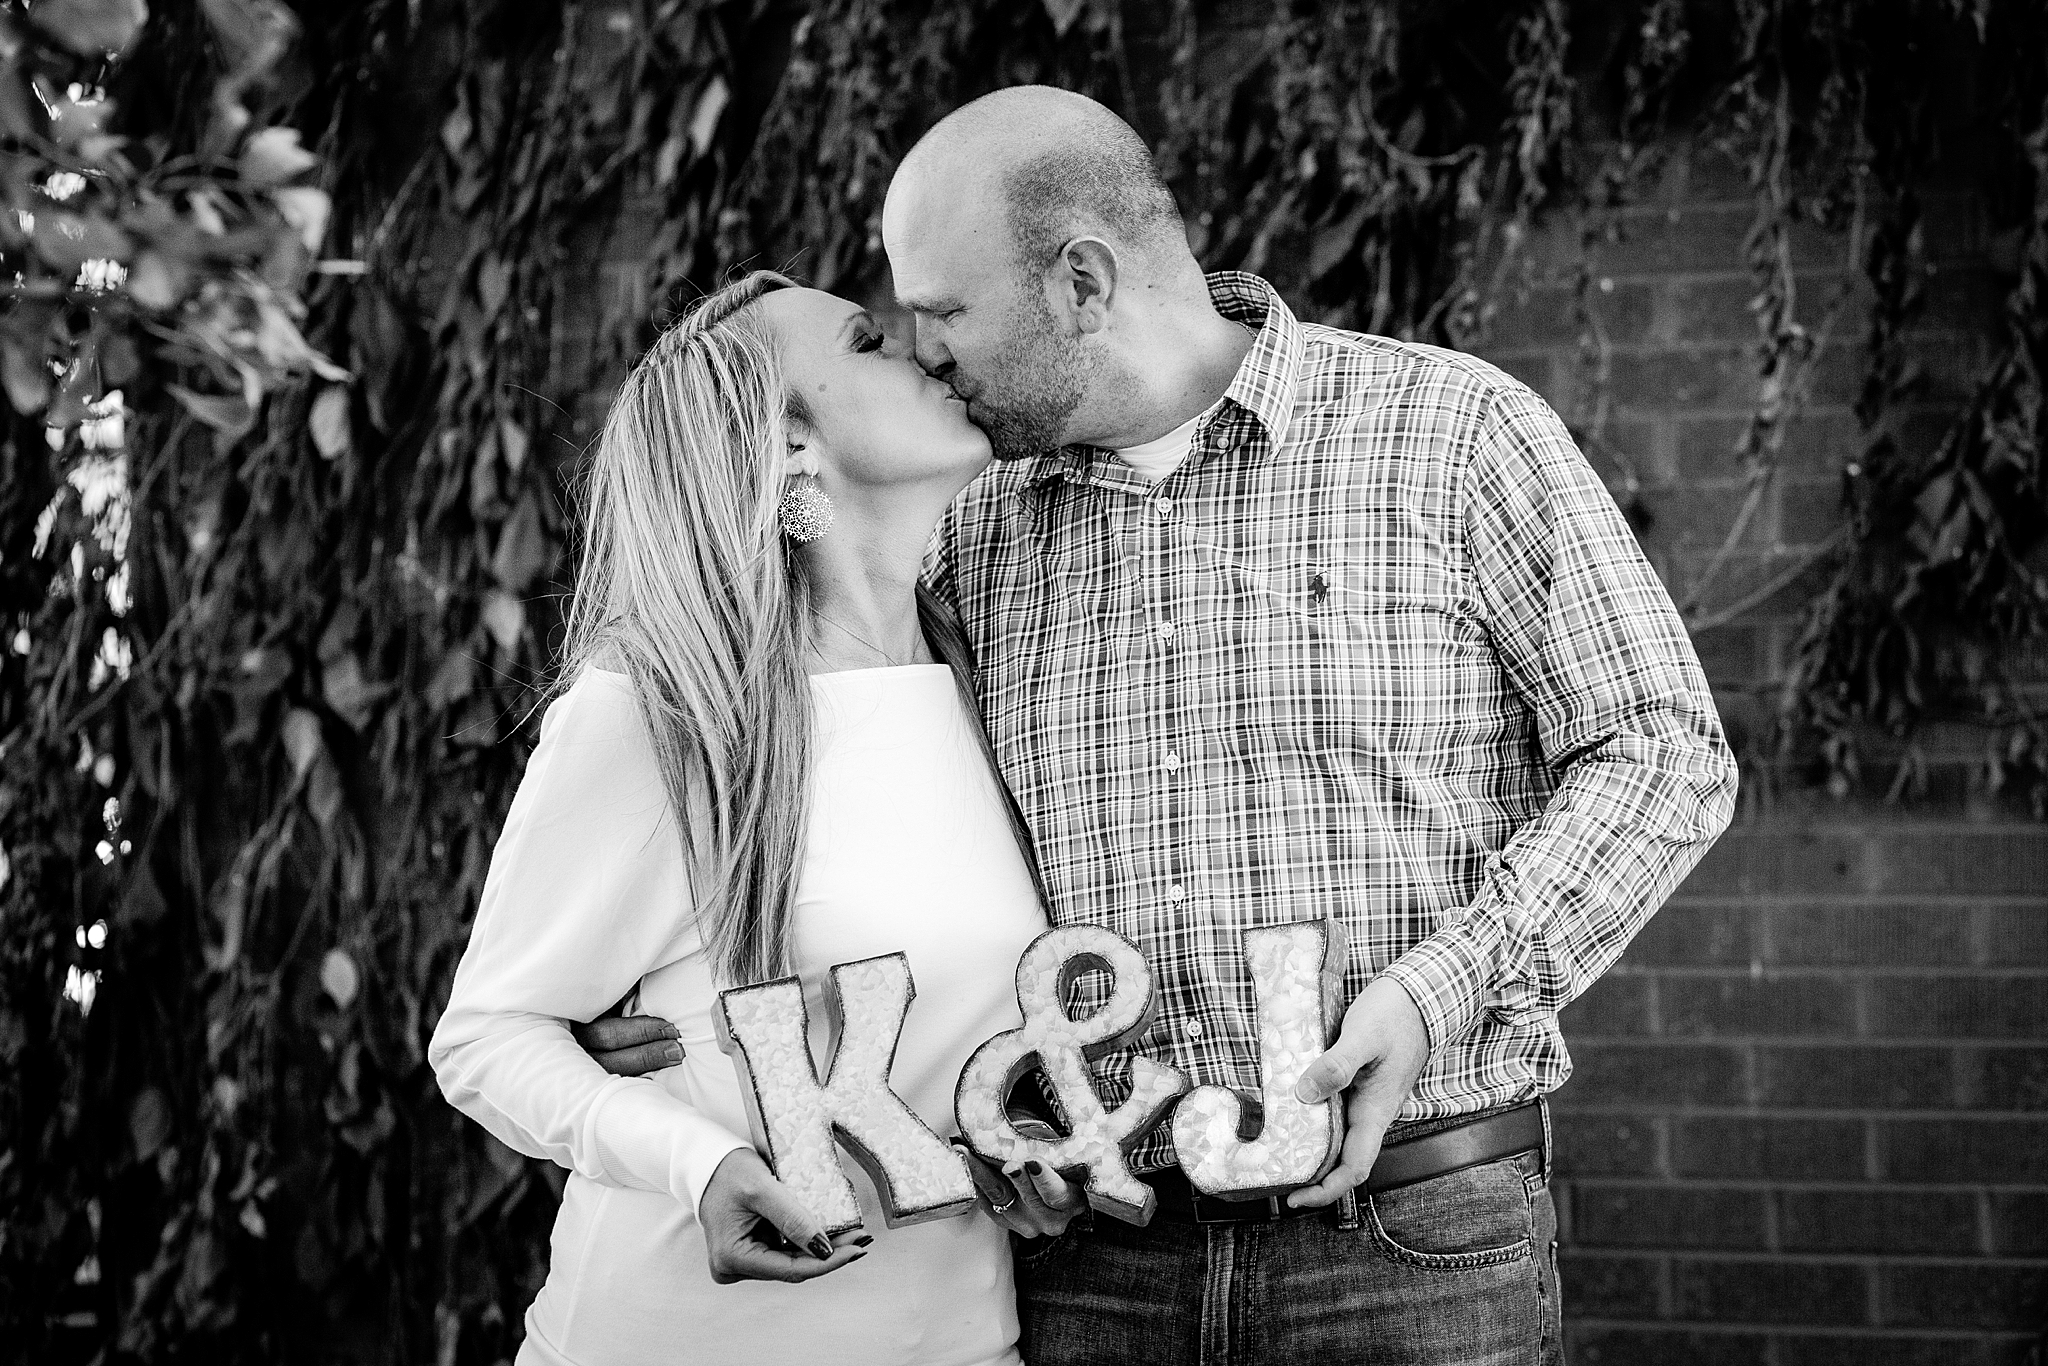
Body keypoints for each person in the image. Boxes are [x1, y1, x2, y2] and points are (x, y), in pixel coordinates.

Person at [879, 86, 1736, 1365]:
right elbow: (879, 811)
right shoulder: (968, 537)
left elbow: (1661, 753)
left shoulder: (1450, 433)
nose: (921, 354)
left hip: (1409, 1240)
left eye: (942, 311)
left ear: (1080, 281)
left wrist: (1430, 995)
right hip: (1091, 1269)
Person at [428, 271, 1080, 1366]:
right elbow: (487, 1039)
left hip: (955, 1337)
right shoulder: (669, 712)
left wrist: (1025, 1146)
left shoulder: (987, 671)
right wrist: (699, 1160)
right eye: (869, 342)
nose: (924, 350)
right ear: (789, 451)